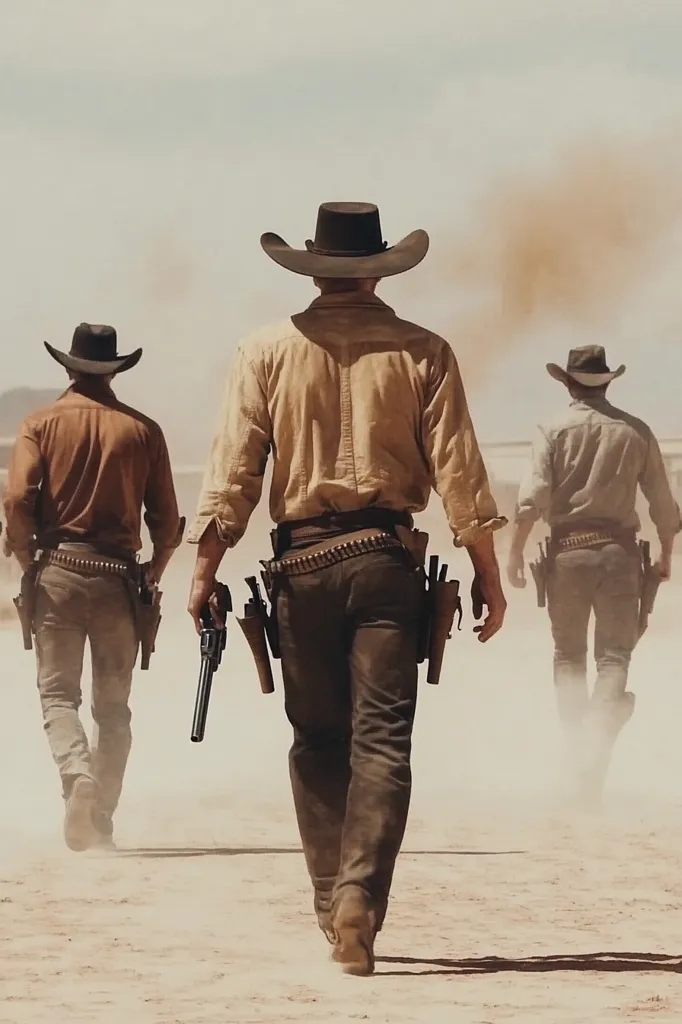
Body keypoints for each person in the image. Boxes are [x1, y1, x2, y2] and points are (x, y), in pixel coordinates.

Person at [186, 202, 507, 975]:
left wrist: (203, 565)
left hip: (300, 567)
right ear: (377, 269)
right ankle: (361, 896)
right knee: (383, 742)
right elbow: (459, 467)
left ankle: (334, 899)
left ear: (315, 269)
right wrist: (486, 569)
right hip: (389, 564)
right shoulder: (423, 350)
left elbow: (234, 471)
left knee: (317, 741)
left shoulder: (263, 350)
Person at [3, 324, 183, 852]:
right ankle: (100, 811)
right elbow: (167, 520)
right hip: (119, 578)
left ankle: (77, 775)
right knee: (114, 707)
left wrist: (22, 555)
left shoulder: (40, 424)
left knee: (59, 694)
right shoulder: (142, 430)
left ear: (68, 367)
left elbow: (16, 501)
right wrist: (156, 569)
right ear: (117, 369)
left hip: (57, 571)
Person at [507, 345, 680, 798]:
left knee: (568, 658)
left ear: (566, 383)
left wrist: (515, 553)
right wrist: (665, 554)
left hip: (566, 554)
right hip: (621, 556)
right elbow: (664, 503)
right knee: (614, 659)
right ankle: (594, 748)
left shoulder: (552, 428)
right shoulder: (635, 431)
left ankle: (580, 756)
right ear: (607, 382)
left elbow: (534, 497)